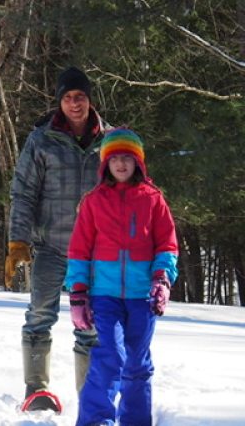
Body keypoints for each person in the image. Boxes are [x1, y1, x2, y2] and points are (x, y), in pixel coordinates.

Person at [5, 67, 111, 412]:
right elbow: (23, 193)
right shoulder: (42, 139)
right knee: (39, 315)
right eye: (67, 97)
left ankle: (91, 397)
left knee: (91, 325)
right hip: (51, 246)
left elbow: (127, 195)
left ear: (89, 99)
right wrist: (18, 241)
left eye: (79, 96)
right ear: (59, 101)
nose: (74, 103)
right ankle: (36, 391)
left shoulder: (110, 141)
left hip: (95, 253)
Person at [65, 128, 178, 426]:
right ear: (105, 164)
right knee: (110, 357)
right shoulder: (93, 201)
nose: (121, 164)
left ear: (138, 162)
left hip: (143, 297)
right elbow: (78, 250)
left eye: (128, 158)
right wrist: (78, 293)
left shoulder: (153, 200)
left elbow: (167, 245)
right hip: (104, 295)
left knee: (137, 363)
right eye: (115, 159)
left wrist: (162, 280)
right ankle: (96, 420)